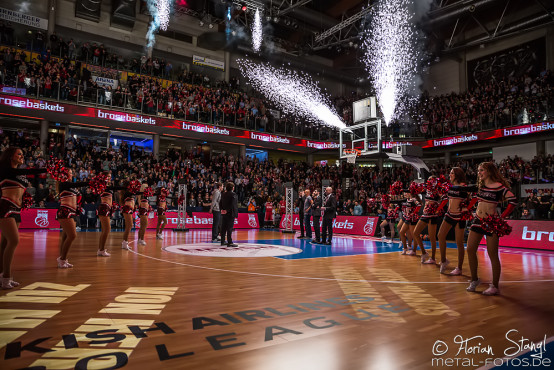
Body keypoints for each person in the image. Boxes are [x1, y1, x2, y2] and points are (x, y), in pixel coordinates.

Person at [466, 162, 517, 296]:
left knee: (492, 254)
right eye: (478, 170)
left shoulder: (500, 187)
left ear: (489, 171)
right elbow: (477, 200)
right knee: (470, 249)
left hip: (491, 223)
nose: (479, 173)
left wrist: (502, 217)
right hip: (477, 220)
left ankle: (494, 286)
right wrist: (468, 208)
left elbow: (513, 201)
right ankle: (474, 279)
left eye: (481, 170)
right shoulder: (481, 187)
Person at [0, 147, 47, 288]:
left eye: (22, 154)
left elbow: (21, 188)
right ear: (10, 156)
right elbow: (26, 172)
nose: (22, 156)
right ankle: (6, 278)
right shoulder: (5, 169)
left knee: (4, 243)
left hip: (17, 209)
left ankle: (2, 274)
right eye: (19, 154)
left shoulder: (20, 174)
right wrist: (45, 169)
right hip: (6, 206)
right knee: (14, 241)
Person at [437, 167, 472, 275]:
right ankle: (443, 260)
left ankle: (459, 268)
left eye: (452, 173)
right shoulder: (450, 186)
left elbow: (471, 202)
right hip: (449, 215)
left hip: (459, 217)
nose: (450, 175)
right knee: (440, 236)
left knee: (459, 243)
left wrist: (465, 209)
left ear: (457, 174)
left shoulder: (464, 188)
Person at [56, 170, 89, 268]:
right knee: (72, 235)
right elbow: (78, 184)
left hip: (72, 212)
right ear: (65, 174)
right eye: (70, 173)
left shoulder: (70, 185)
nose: (72, 174)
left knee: (66, 237)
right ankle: (62, 259)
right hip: (65, 211)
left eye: (71, 172)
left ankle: (63, 258)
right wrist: (90, 182)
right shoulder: (63, 184)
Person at [219, 182, 238, 247]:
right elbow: (232, 204)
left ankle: (222, 241)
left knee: (223, 227)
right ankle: (230, 242)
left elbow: (220, 203)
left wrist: (222, 209)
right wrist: (227, 210)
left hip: (224, 213)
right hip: (230, 213)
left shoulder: (223, 194)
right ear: (232, 188)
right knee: (229, 228)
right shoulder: (233, 194)